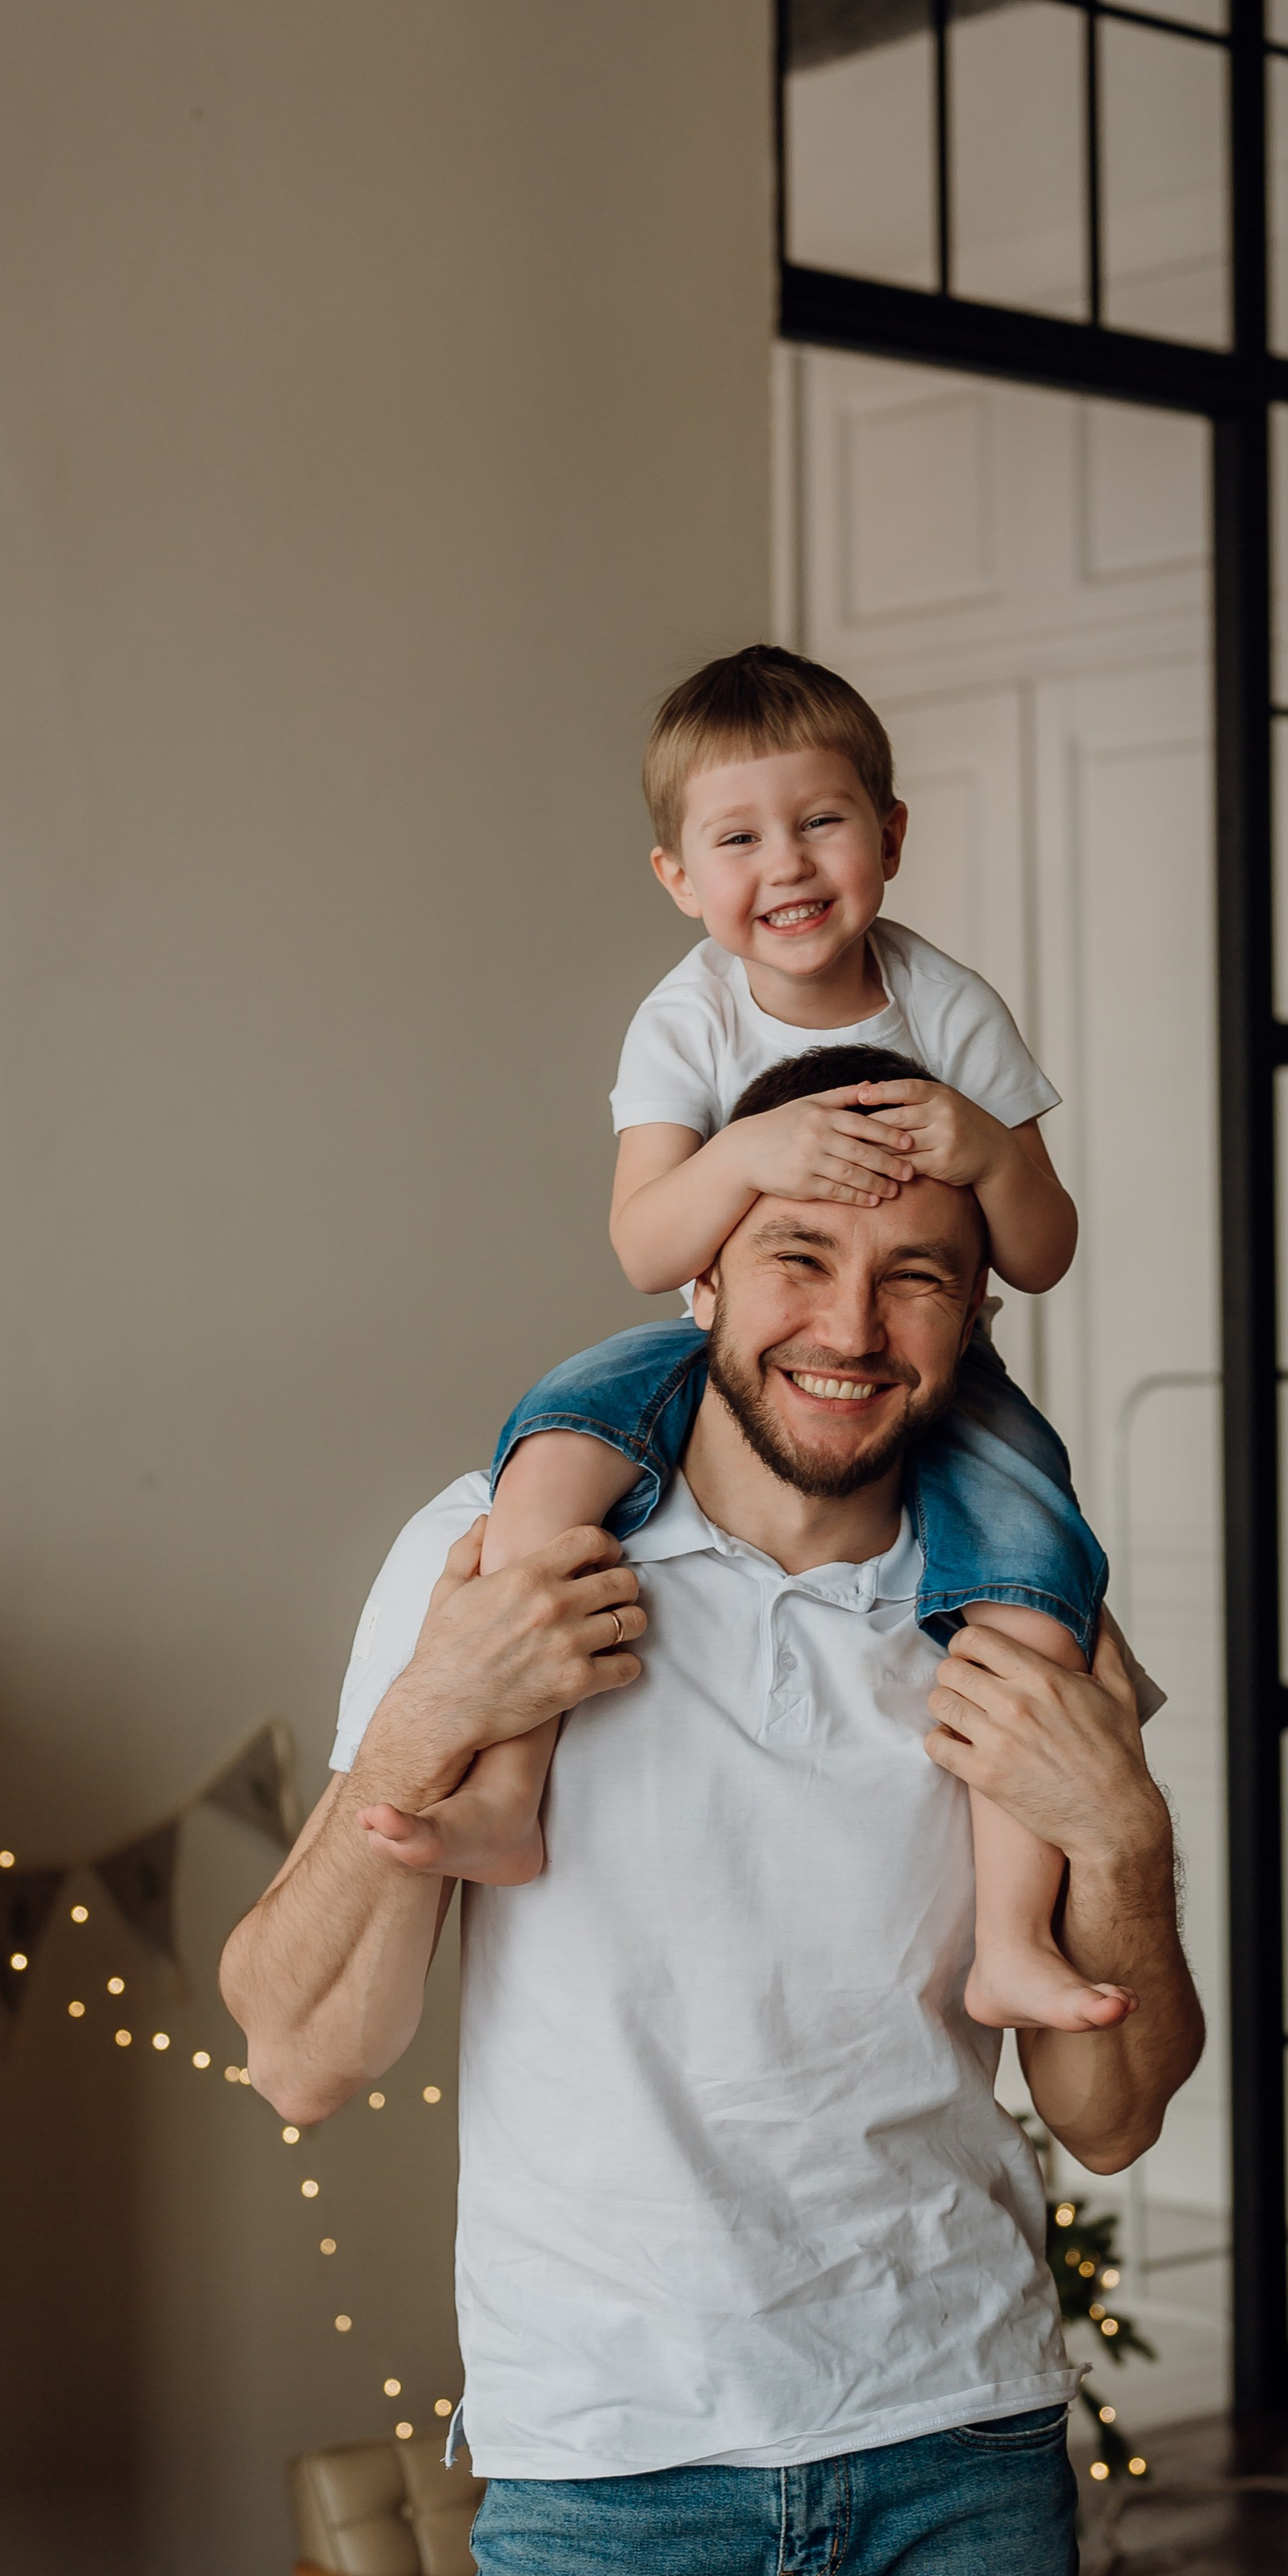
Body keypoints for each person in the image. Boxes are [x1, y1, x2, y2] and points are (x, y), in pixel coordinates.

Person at [220, 1121, 1203, 2576]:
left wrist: (1121, 1828)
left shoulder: (1019, 1605)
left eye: (914, 1272)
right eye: (797, 1257)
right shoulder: (503, 1553)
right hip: (606, 2471)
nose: (850, 1319)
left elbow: (1112, 2108)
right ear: (698, 1280)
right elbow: (302, 2049)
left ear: (974, 1315)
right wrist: (435, 1705)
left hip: (952, 2450)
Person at [429, 643, 1128, 2035]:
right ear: (680, 880)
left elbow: (1041, 1257)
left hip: (941, 1364)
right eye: (738, 838)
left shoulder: (948, 1006)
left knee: (1037, 1572)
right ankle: (506, 1790)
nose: (789, 865)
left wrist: (989, 1153)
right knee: (551, 1450)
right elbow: (644, 1249)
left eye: (823, 821)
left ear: (891, 835)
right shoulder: (689, 1018)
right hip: (715, 1349)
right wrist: (749, 1151)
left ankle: (1006, 1934)